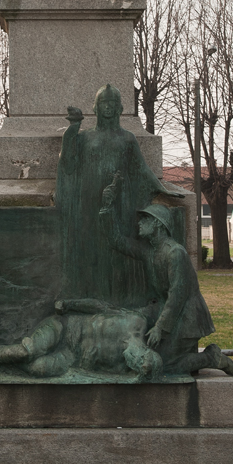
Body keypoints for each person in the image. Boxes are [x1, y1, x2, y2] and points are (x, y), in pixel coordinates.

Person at [55, 83, 184, 304]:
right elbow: (67, 163)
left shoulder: (127, 139)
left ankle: (119, 298)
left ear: (120, 108)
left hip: (120, 205)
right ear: (95, 108)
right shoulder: (85, 138)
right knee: (91, 248)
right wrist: (73, 128)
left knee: (117, 250)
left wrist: (161, 188)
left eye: (112, 104)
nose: (108, 108)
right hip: (89, 203)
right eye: (104, 103)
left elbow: (141, 168)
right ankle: (89, 294)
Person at [99, 173, 233, 376]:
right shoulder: (150, 251)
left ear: (157, 224)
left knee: (165, 366)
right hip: (167, 311)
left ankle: (211, 358)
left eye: (145, 219)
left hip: (187, 316)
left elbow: (177, 296)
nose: (139, 223)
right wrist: (107, 207)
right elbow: (117, 241)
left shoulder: (175, 253)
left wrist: (160, 328)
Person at [0, 299, 164, 381]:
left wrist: (83, 365)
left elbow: (87, 373)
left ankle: (5, 353)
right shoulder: (136, 321)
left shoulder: (121, 368)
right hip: (65, 328)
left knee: (37, 368)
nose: (132, 362)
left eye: (136, 367)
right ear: (146, 352)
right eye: (139, 360)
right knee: (27, 352)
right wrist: (69, 304)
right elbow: (100, 307)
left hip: (70, 357)